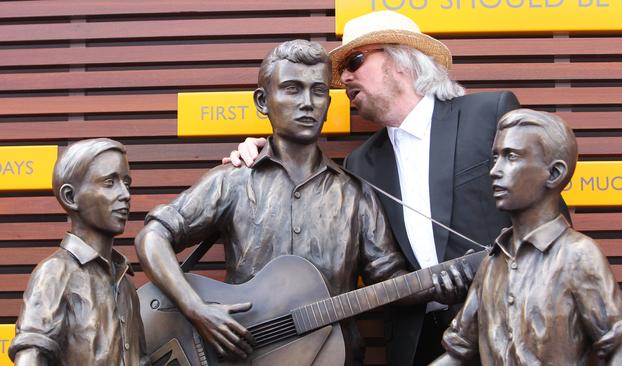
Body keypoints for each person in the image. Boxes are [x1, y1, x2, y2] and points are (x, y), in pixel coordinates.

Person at [225, 10, 554, 365]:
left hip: (508, 327)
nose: (345, 78)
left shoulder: (489, 113)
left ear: (401, 60)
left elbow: (549, 219)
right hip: (418, 344)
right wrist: (266, 154)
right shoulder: (359, 165)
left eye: (355, 61)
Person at [135, 39, 464, 366]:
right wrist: (196, 309)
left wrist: (437, 285)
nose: (307, 102)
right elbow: (153, 235)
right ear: (263, 101)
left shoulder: (356, 195)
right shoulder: (232, 181)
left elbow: (390, 279)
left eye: (318, 91)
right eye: (292, 89)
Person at [432, 109, 622, 365]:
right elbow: (456, 354)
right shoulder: (492, 264)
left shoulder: (579, 255)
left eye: (511, 157)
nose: (495, 170)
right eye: (495, 157)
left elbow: (620, 352)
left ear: (553, 174)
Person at [9, 138, 148, 366]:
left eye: (126, 182)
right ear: (70, 197)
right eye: (109, 182)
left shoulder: (125, 284)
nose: (125, 194)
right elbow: (30, 359)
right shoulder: (55, 273)